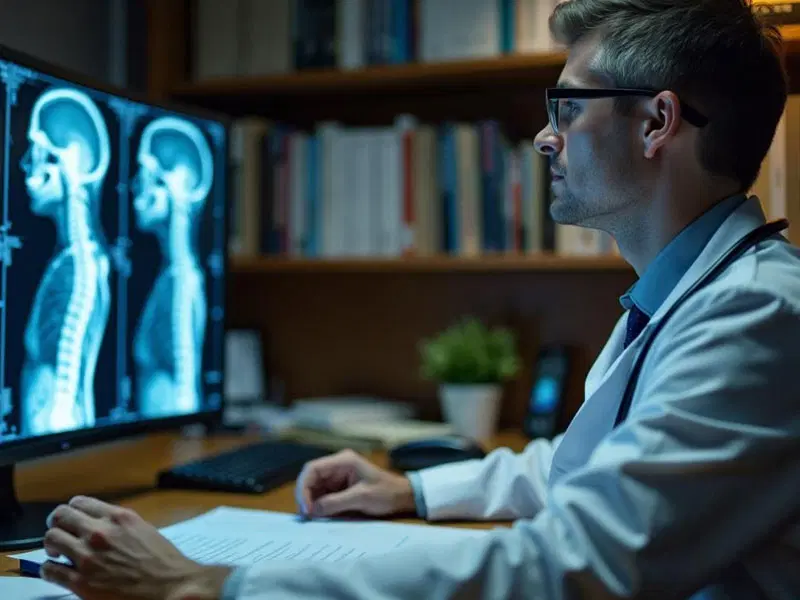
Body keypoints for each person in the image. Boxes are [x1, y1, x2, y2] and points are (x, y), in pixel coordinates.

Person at [39, 0, 800, 598]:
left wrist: (213, 585)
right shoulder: (693, 295)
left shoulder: (755, 317)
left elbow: (572, 567)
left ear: (657, 123)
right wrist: (409, 489)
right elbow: (585, 469)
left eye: (567, 108)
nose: (543, 137)